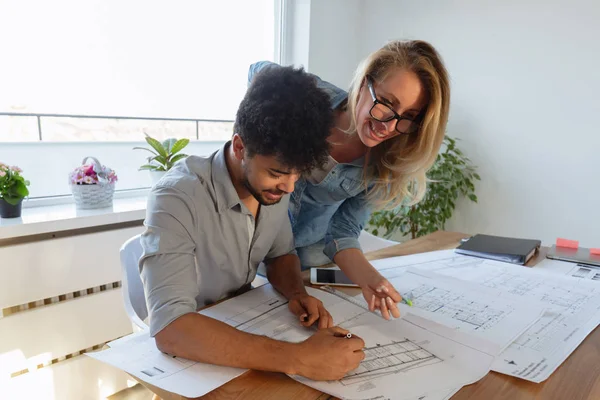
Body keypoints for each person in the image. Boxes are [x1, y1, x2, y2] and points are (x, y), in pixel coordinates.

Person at [139, 65, 365, 381]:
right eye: (277, 173)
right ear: (240, 146)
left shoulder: (274, 185)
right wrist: (300, 358)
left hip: (242, 328)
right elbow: (171, 329)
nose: (289, 187)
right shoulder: (176, 197)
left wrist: (296, 293)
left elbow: (280, 253)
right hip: (189, 357)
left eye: (297, 174)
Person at [249, 40, 450, 321]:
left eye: (408, 117)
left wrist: (370, 279)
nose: (389, 127)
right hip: (253, 253)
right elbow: (258, 70)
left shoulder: (387, 161)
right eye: (387, 104)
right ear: (365, 83)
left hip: (308, 263)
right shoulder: (311, 96)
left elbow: (342, 229)